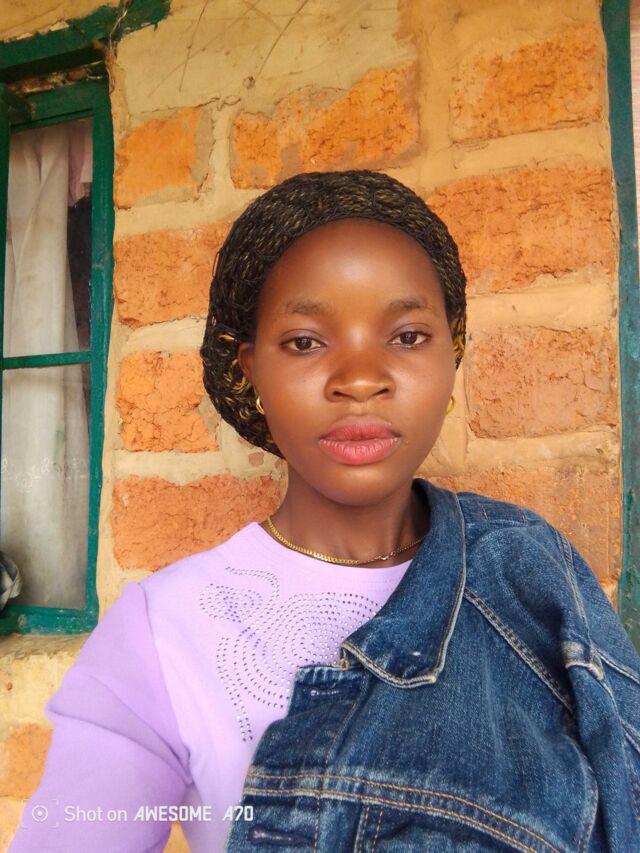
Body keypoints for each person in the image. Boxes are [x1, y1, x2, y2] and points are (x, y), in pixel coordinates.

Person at [9, 170, 640, 852]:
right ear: (251, 368)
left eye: (407, 336)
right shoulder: (162, 634)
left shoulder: (532, 571)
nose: (361, 379)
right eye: (306, 341)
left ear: (452, 357)